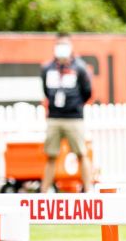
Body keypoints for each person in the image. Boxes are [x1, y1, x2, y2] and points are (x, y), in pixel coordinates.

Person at [40, 33, 93, 192]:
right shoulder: (47, 68)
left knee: (81, 153)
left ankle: (89, 190)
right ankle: (44, 192)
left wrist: (74, 105)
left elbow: (87, 92)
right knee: (51, 155)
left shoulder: (80, 67)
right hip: (54, 117)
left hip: (74, 118)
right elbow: (45, 91)